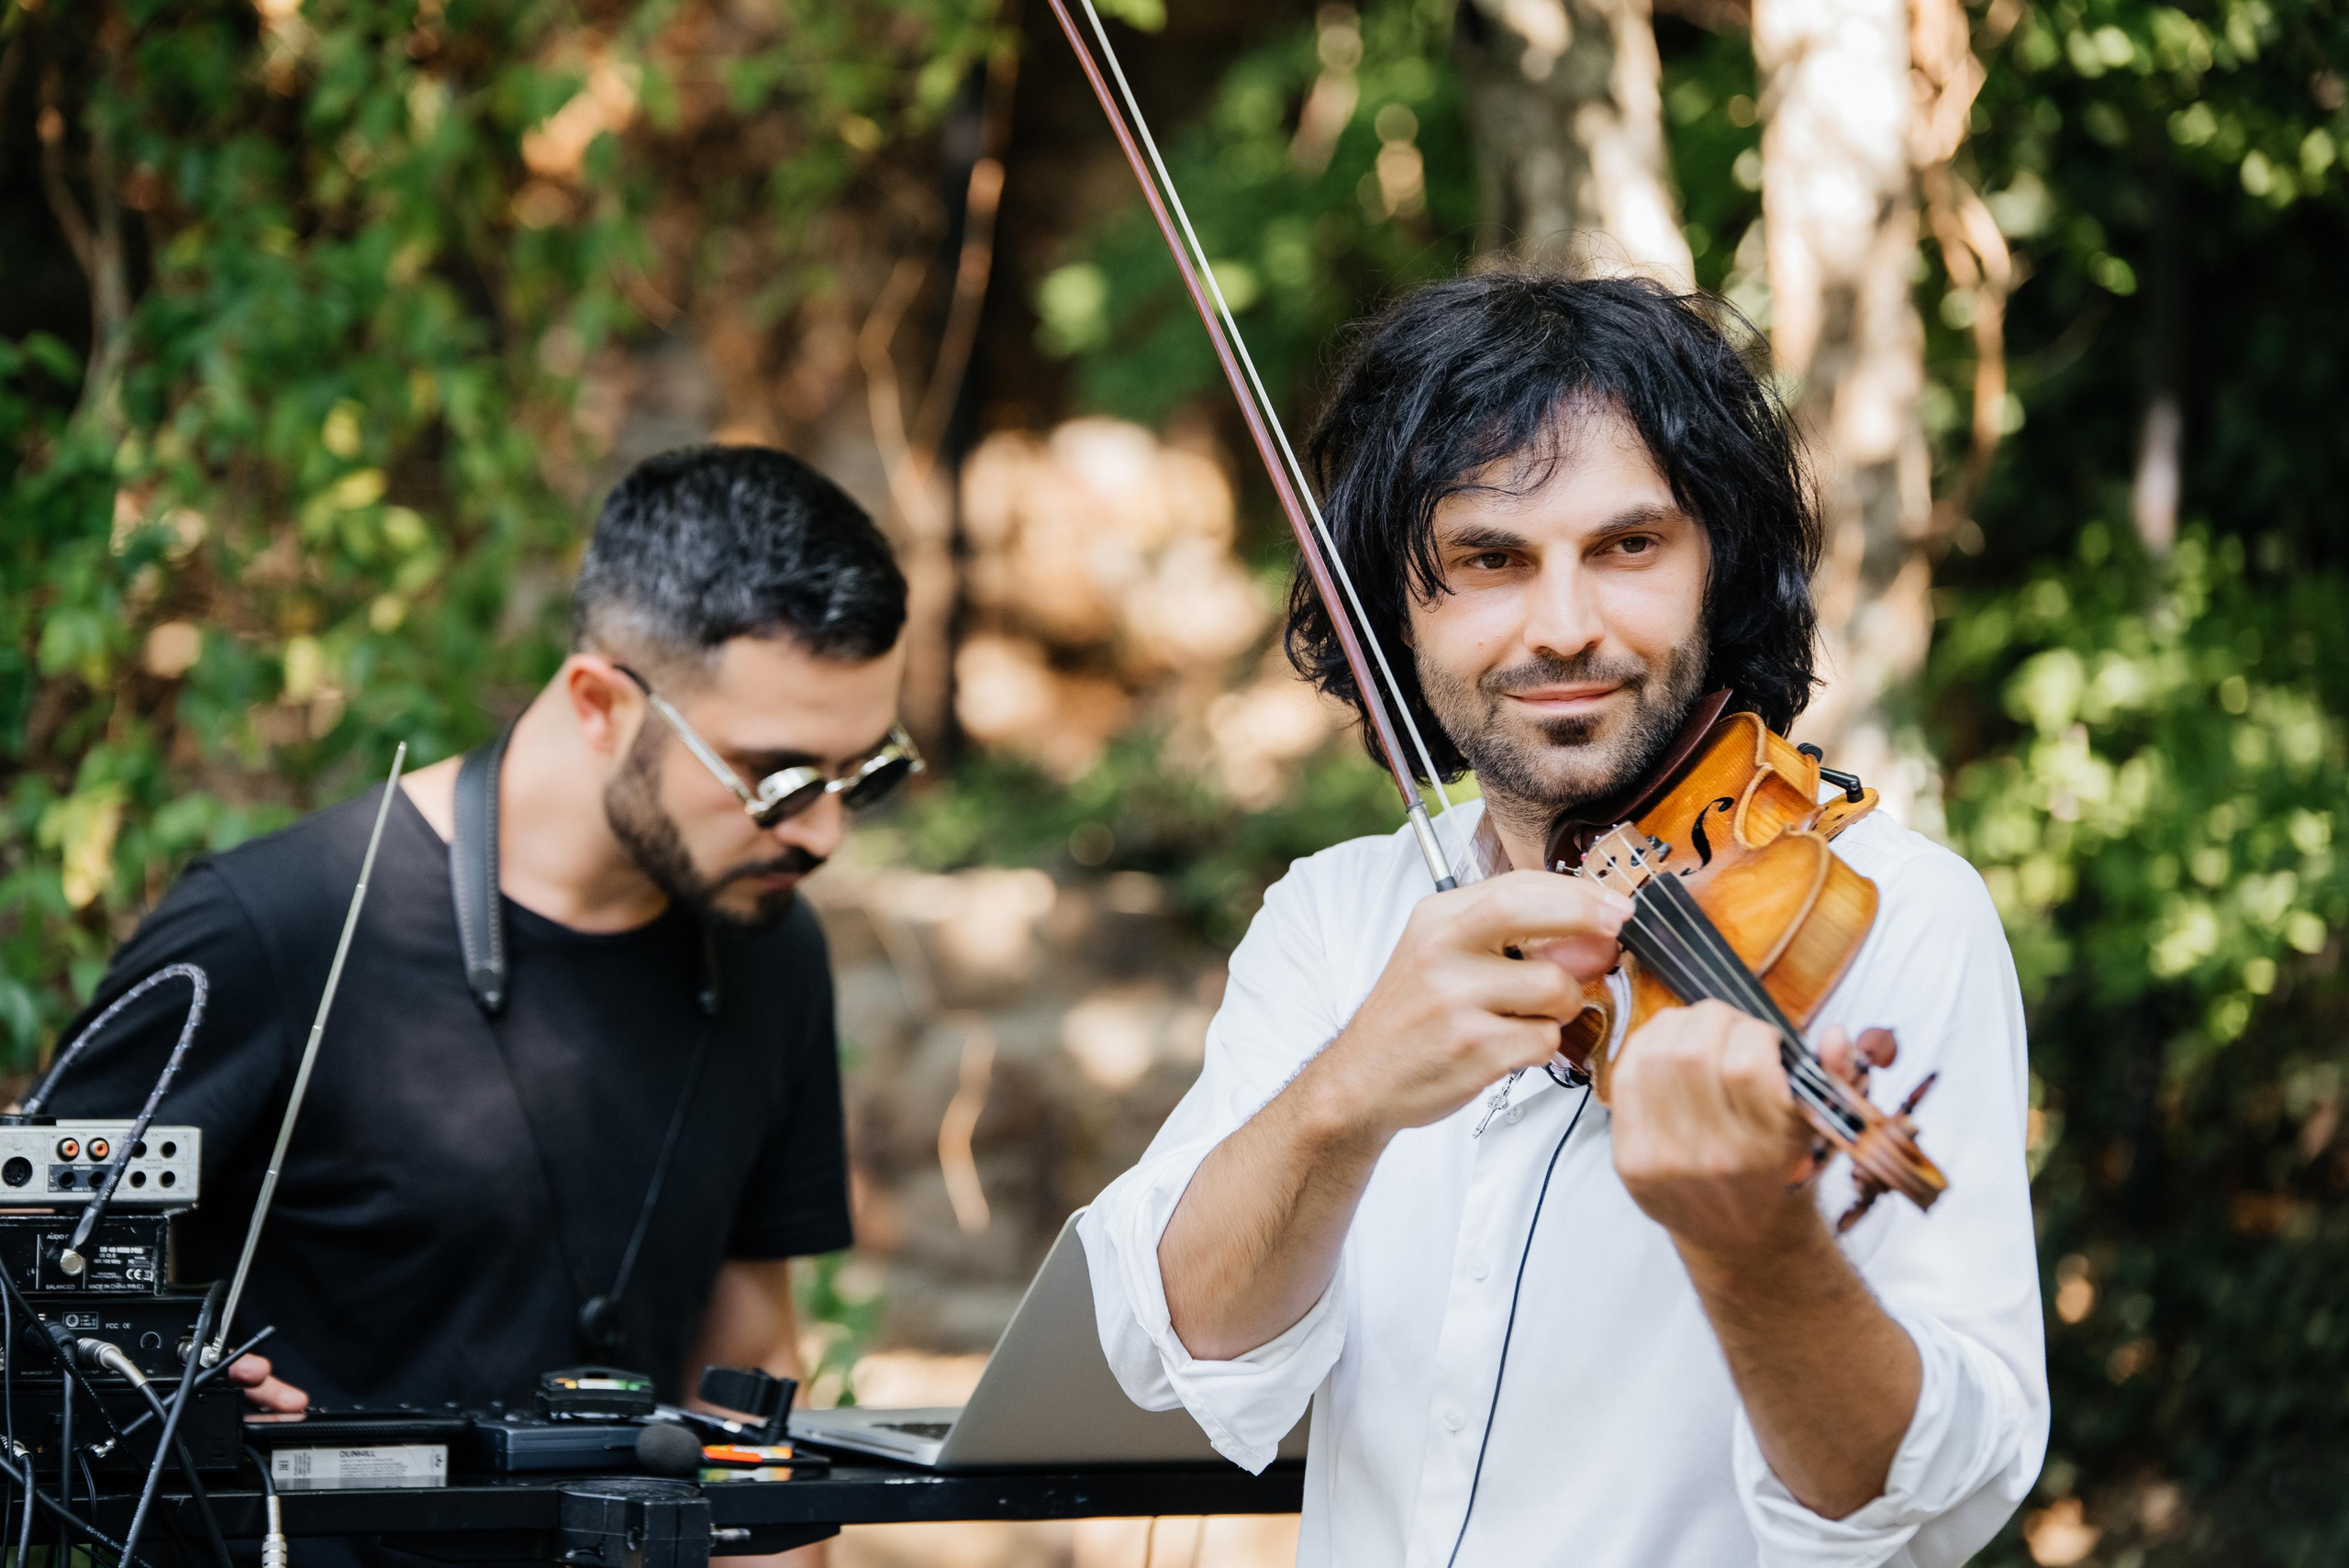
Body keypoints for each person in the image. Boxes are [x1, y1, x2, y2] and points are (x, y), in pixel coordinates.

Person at [1080, 274, 2046, 1567]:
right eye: (1488, 559)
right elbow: (1187, 1345)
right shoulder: (1337, 916)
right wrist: (1346, 1095)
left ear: (1723, 566)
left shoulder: (1896, 919)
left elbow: (1924, 1497)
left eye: (1629, 546)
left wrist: (1757, 1247)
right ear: (1395, 604)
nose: (1566, 625)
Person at [42, 445, 913, 1437]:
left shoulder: (769, 937)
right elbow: (25, 1299)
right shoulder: (269, 926)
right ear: (599, 703)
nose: (824, 832)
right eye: (779, 778)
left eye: (864, 774)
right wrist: (172, 1394)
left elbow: (749, 1362)